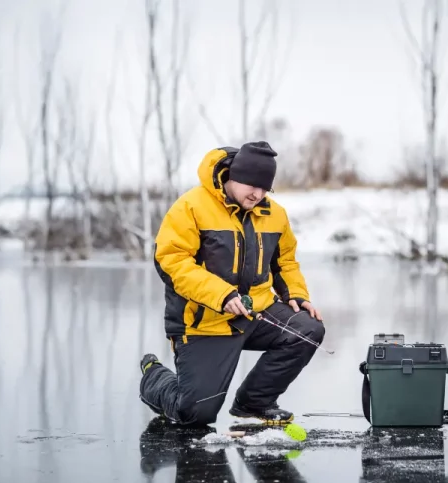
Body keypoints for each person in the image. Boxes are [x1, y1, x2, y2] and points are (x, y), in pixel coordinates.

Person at [139, 141, 325, 427]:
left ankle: (254, 403)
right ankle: (154, 375)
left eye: (265, 188)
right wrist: (221, 295)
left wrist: (296, 294)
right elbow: (171, 261)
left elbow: (285, 261)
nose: (258, 194)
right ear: (233, 176)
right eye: (252, 185)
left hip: (257, 313)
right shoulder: (191, 206)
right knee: (195, 414)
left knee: (308, 329)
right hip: (204, 321)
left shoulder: (274, 214)